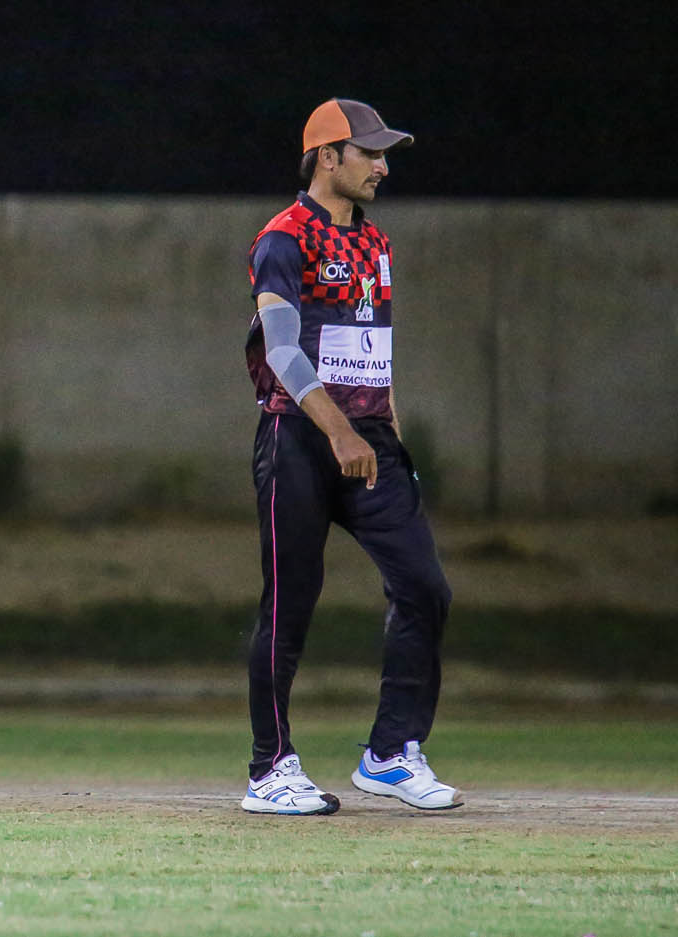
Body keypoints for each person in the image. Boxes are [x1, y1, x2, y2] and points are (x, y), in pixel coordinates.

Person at [239, 98, 462, 815]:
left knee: (425, 587)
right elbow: (282, 351)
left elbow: (373, 351)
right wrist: (337, 431)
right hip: (300, 440)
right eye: (370, 152)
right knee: (289, 606)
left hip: (369, 442)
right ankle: (270, 770)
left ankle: (391, 752)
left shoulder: (375, 243)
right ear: (328, 156)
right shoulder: (283, 238)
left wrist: (388, 432)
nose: (383, 167)